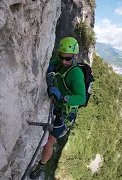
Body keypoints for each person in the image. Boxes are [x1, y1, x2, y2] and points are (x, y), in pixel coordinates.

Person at [29, 37, 87, 179]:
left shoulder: (76, 73)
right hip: (57, 105)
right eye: (61, 57)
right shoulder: (61, 63)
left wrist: (63, 97)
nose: (63, 61)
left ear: (75, 56)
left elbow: (81, 98)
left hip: (65, 114)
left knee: (50, 140)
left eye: (67, 59)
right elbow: (52, 63)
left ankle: (40, 166)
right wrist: (50, 68)